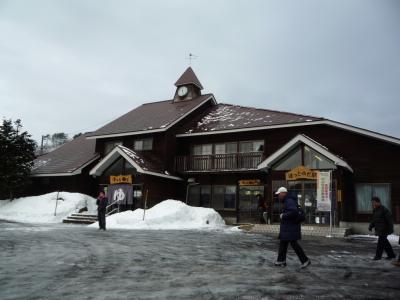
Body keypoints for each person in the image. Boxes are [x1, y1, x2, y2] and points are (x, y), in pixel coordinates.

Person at [274, 187, 311, 269]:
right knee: (283, 242)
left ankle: (305, 260)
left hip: (290, 226)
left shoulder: (289, 200)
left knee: (293, 243)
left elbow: (293, 211)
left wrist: (283, 215)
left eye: (279, 194)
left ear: (283, 193)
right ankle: (281, 261)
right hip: (288, 227)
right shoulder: (288, 200)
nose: (278, 196)